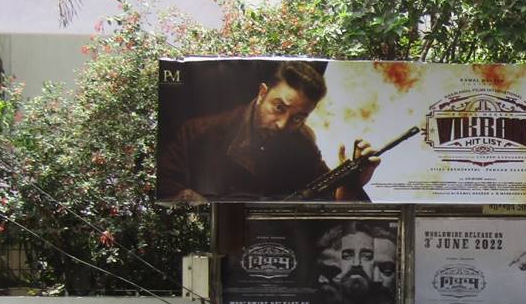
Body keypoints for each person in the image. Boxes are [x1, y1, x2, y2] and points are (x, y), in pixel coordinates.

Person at [159, 61, 379, 201]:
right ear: (262, 93)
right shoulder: (200, 132)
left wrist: (351, 181)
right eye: (279, 108)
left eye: (298, 118)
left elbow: (329, 199)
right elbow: (165, 185)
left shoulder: (303, 143)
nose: (283, 124)